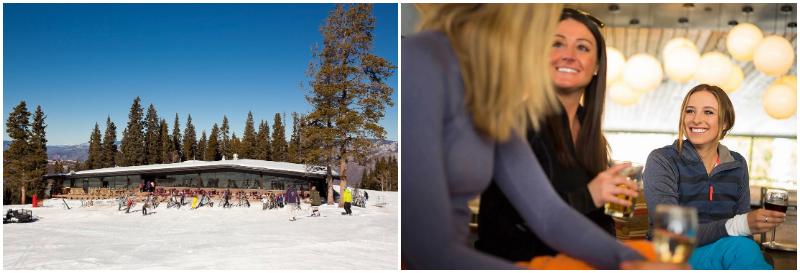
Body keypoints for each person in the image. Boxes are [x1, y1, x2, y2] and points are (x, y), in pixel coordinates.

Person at [402, 4, 684, 269]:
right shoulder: (420, 60)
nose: (563, 53)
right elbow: (428, 247)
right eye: (554, 40)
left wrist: (631, 260)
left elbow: (549, 214)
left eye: (582, 47)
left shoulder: (490, 96)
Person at [475, 8, 639, 261]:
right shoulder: (514, 123)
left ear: (596, 66)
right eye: (557, 44)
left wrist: (609, 210)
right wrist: (590, 195)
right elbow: (507, 225)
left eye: (583, 47)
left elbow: (597, 223)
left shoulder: (592, 135)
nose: (569, 56)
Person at [643, 84, 781, 270]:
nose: (696, 119)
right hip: (672, 257)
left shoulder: (737, 164)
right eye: (690, 111)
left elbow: (744, 232)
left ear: (725, 123)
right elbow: (673, 234)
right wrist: (738, 225)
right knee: (742, 249)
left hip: (725, 252)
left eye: (708, 112)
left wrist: (742, 228)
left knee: (745, 249)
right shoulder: (662, 160)